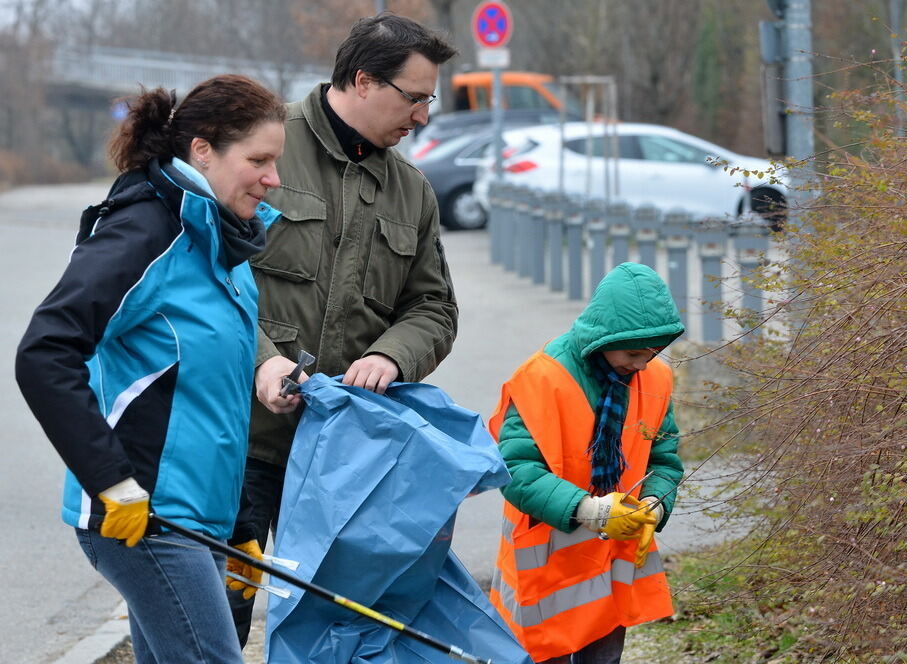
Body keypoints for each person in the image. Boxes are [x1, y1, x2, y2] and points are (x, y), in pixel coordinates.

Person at [15, 75, 286, 664]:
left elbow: (215, 398)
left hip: (199, 520)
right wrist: (109, 480)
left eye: (276, 161)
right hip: (146, 519)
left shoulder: (224, 243)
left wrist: (239, 521)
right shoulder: (145, 229)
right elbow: (44, 352)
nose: (274, 179)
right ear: (203, 150)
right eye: (259, 160)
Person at [226, 13, 459, 646]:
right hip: (239, 446)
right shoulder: (261, 150)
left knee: (335, 629)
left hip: (340, 459)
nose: (423, 117)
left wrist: (392, 356)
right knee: (221, 615)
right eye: (413, 98)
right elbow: (204, 279)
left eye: (429, 100)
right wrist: (261, 360)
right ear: (362, 81)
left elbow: (434, 308)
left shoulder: (412, 192)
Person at [488, 262, 686, 664]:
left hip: (609, 562)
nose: (643, 365)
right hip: (547, 571)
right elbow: (515, 471)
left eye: (653, 353)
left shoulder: (655, 379)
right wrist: (588, 510)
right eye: (634, 353)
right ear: (605, 340)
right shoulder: (540, 379)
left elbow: (664, 460)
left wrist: (656, 502)